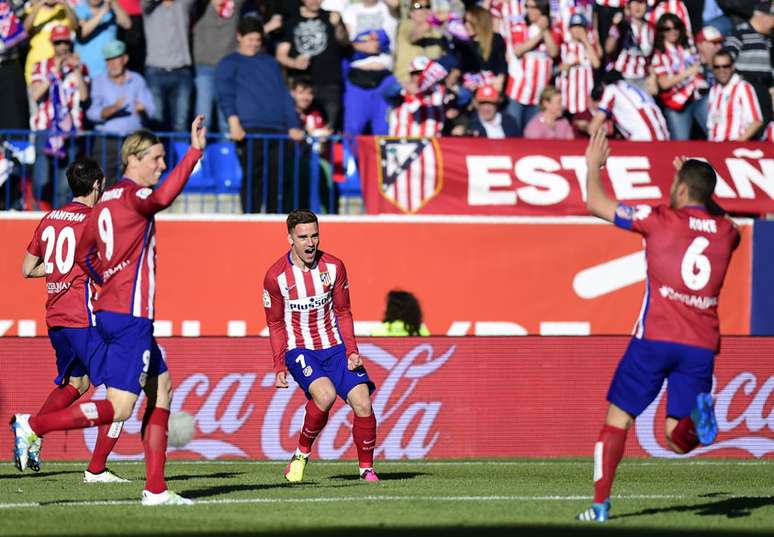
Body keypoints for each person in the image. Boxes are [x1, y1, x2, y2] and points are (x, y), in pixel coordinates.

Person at [10, 115, 207, 506]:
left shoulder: (103, 206)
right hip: (127, 316)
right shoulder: (132, 196)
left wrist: (105, 273)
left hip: (104, 313)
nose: (161, 164)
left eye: (165, 158)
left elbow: (82, 252)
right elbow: (162, 198)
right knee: (119, 404)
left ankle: (154, 488)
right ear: (133, 158)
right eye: (157, 157)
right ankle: (34, 426)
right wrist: (195, 151)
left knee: (160, 388)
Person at [576, 128, 740, 523]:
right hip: (700, 345)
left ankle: (599, 506)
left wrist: (592, 165)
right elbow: (718, 216)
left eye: (674, 184)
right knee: (675, 437)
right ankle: (698, 421)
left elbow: (595, 203)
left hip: (655, 339)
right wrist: (702, 191)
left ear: (682, 188)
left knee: (617, 420)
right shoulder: (727, 232)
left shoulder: (658, 218)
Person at [18, 158, 127, 483]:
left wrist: (59, 272)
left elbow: (27, 268)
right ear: (98, 184)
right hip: (83, 317)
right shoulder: (94, 220)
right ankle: (96, 468)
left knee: (77, 384)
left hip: (55, 317)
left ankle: (31, 435)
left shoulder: (51, 218)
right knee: (123, 392)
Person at [263, 209, 379, 482]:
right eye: (303, 237)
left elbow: (343, 312)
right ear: (290, 237)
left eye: (314, 235)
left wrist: (352, 350)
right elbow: (276, 324)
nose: (310, 243)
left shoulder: (334, 267)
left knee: (363, 403)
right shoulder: (275, 277)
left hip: (335, 347)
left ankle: (366, 470)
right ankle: (301, 453)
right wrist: (279, 364)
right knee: (325, 396)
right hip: (300, 348)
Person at [215, 16, 304, 213]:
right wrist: (234, 123)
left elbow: (283, 95)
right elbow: (225, 96)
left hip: (278, 130)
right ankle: (250, 217)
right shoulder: (228, 63)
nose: (254, 44)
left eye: (258, 39)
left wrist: (293, 125)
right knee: (253, 175)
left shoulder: (271, 63)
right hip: (249, 130)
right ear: (239, 36)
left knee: (276, 177)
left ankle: (273, 219)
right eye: (250, 39)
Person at [29, 24, 90, 209]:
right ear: (52, 44)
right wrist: (54, 72)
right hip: (45, 129)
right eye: (58, 42)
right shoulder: (40, 66)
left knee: (64, 185)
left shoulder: (80, 67)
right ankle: (37, 215)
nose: (62, 47)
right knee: (42, 180)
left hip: (70, 132)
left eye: (65, 42)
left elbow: (85, 95)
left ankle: (59, 221)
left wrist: (77, 70)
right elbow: (36, 94)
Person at [86, 39, 156, 184]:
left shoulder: (137, 80)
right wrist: (112, 110)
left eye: (115, 59)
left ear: (125, 59)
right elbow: (91, 113)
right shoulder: (98, 81)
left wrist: (142, 110)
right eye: (108, 60)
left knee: (137, 183)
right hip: (107, 141)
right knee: (103, 184)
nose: (111, 64)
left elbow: (152, 110)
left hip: (133, 142)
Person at [276, 0, 349, 130]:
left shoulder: (331, 17)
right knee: (298, 128)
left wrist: (338, 25)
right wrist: (294, 63)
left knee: (329, 130)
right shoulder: (291, 21)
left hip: (329, 84)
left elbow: (344, 42)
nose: (315, 1)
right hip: (302, 85)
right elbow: (281, 54)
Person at [502, 0, 558, 136]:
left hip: (538, 94)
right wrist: (538, 32)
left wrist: (545, 30)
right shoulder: (520, 27)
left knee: (531, 136)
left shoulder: (552, 29)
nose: (529, 11)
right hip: (518, 91)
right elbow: (518, 50)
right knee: (512, 133)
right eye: (527, 7)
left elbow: (554, 52)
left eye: (533, 8)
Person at [191, 0, 247, 135]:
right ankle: (198, 153)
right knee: (204, 118)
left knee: (226, 119)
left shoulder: (235, 5)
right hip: (204, 68)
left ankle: (226, 153)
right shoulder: (200, 6)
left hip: (227, 69)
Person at [650, 13, 707, 140]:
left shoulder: (686, 47)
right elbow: (664, 83)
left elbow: (699, 66)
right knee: (680, 143)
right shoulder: (660, 55)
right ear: (661, 32)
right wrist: (687, 73)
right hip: (676, 104)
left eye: (676, 27)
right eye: (667, 29)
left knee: (715, 133)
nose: (673, 31)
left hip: (697, 97)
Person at [141, 0, 195, 132]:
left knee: (181, 124)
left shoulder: (182, 5)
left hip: (181, 70)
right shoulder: (149, 7)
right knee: (156, 122)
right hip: (155, 70)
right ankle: (156, 153)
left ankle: (182, 153)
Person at [724, 1, 774, 137]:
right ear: (762, 16)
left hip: (764, 87)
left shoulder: (768, 40)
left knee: (765, 123)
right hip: (747, 87)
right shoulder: (740, 33)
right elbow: (726, 58)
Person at [588, 70, 670, 140]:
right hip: (662, 134)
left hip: (645, 136)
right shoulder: (631, 88)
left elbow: (593, 128)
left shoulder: (611, 89)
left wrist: (585, 126)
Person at [706, 49, 763, 142]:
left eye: (726, 66)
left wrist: (736, 145)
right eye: (717, 67)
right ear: (713, 68)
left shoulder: (743, 87)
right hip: (713, 147)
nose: (721, 70)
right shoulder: (714, 90)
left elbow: (756, 121)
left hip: (733, 147)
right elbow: (712, 124)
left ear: (732, 67)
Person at [556, 13, 600, 117]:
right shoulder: (563, 47)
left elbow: (596, 64)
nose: (577, 30)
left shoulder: (589, 48)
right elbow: (554, 69)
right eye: (574, 27)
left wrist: (585, 40)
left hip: (584, 103)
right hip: (565, 102)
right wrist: (562, 67)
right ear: (569, 29)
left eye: (580, 27)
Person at [74, 0, 131, 78]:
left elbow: (127, 24)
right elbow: (82, 33)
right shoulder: (79, 9)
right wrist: (102, 13)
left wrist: (114, 3)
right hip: (84, 72)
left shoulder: (112, 10)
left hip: (107, 72)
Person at [604, 0, 652, 92]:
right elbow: (608, 49)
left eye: (641, 2)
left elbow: (651, 58)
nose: (638, 7)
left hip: (642, 79)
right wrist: (616, 27)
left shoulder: (651, 28)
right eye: (635, 2)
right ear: (628, 6)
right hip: (621, 78)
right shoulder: (622, 24)